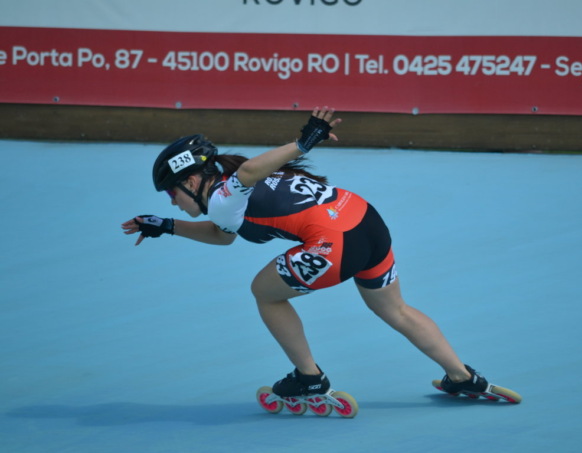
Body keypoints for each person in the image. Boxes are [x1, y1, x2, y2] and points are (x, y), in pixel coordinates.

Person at [121, 107, 517, 405]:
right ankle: (463, 377)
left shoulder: (227, 194)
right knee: (396, 310)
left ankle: (309, 378)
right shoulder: (226, 193)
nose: (171, 202)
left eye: (171, 193)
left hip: (335, 242)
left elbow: (248, 175)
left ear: (192, 181)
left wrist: (303, 143)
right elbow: (222, 236)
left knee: (264, 293)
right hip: (365, 219)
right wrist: (167, 226)